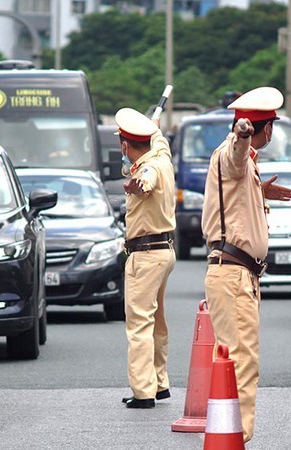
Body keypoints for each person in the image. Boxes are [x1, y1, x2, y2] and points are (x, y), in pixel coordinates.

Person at [201, 86, 291, 442]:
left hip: (237, 274)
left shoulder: (247, 167)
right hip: (233, 274)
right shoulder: (234, 151)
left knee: (232, 358)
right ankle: (234, 438)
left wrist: (261, 191)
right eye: (270, 126)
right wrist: (242, 135)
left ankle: (228, 435)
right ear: (265, 128)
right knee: (242, 360)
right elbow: (235, 157)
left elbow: (236, 181)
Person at [115, 107, 177, 409]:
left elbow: (146, 181)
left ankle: (143, 391)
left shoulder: (147, 169)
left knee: (139, 323)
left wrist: (139, 184)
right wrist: (154, 127)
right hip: (164, 252)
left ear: (126, 146)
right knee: (157, 322)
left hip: (146, 254)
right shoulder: (162, 156)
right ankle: (159, 382)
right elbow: (160, 141)